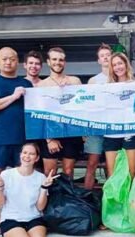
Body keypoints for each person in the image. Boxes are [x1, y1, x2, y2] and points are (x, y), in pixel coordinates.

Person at [0, 47, 33, 235]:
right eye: (4, 59)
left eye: (12, 59)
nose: (8, 62)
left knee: (23, 179)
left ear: (18, 61)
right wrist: (14, 96)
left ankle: (21, 215)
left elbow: (38, 107)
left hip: (22, 140)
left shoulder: (25, 83)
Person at [37, 47, 83, 177]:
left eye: (61, 60)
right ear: (48, 61)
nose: (58, 62)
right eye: (54, 59)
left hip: (70, 133)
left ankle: (66, 198)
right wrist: (49, 139)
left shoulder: (75, 81)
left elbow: (83, 107)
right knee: (49, 173)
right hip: (50, 133)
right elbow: (40, 114)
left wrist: (71, 90)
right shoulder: (41, 85)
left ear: (65, 62)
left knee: (68, 172)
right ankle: (49, 197)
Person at [103, 52, 135, 178]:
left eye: (120, 63)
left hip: (130, 133)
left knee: (131, 172)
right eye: (114, 65)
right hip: (111, 133)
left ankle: (130, 198)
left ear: (126, 64)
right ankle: (114, 198)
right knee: (112, 173)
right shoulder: (106, 87)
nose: (118, 67)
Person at [84, 43, 112, 189]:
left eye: (108, 55)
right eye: (102, 56)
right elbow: (88, 107)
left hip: (114, 128)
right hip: (96, 128)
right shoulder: (93, 81)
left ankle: (111, 199)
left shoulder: (119, 78)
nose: (106, 58)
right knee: (92, 164)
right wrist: (86, 130)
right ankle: (86, 199)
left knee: (111, 165)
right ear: (99, 60)